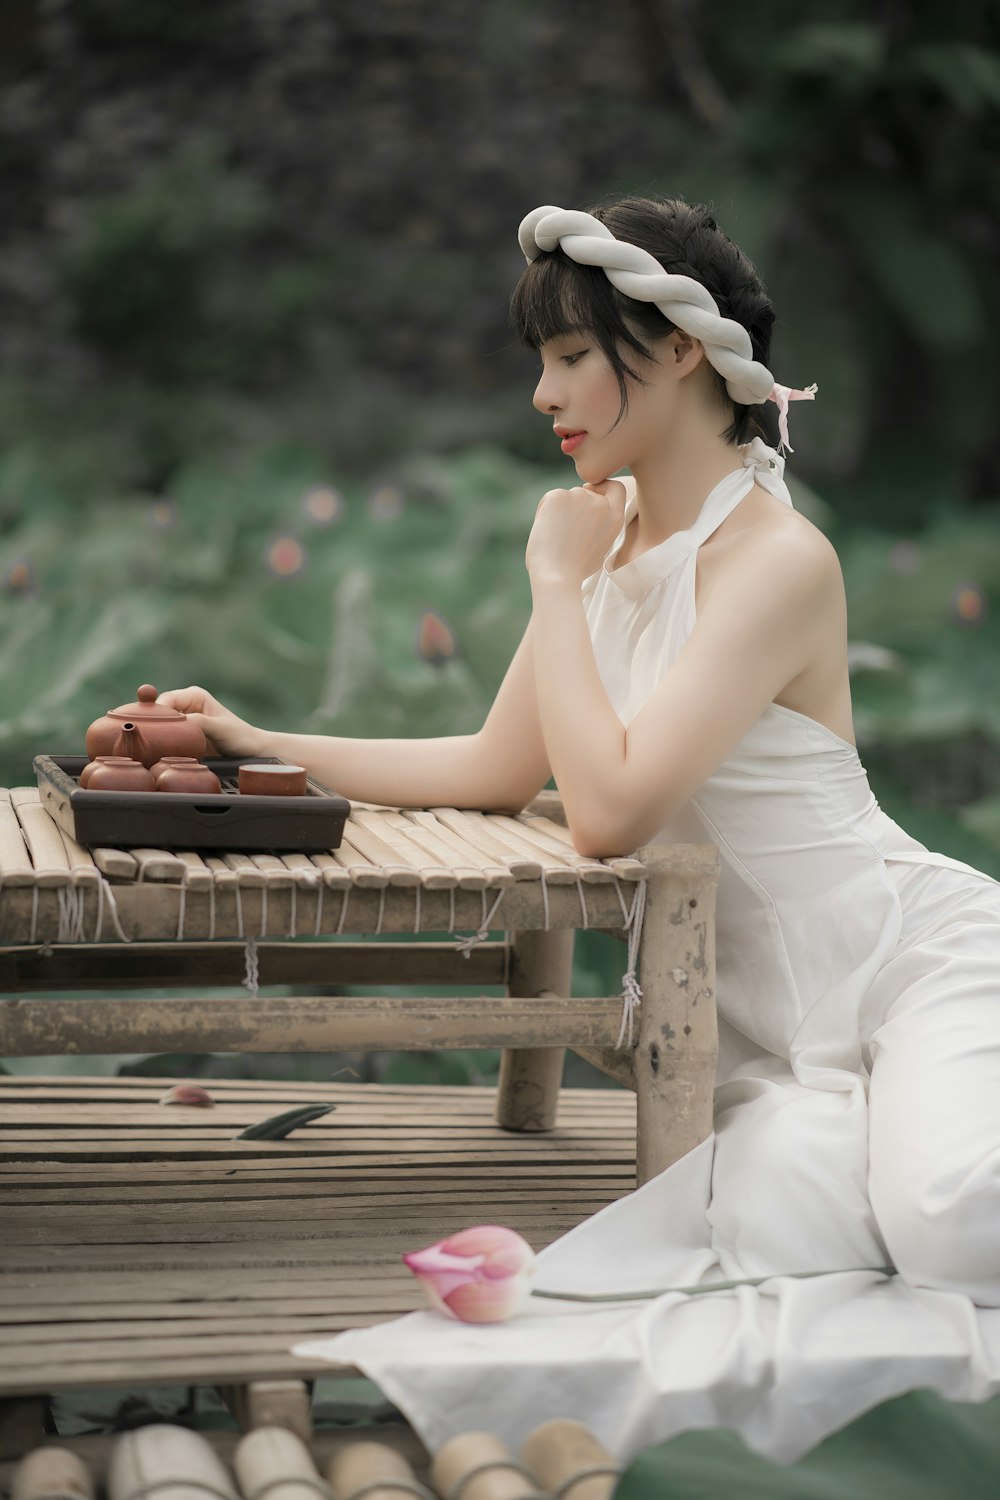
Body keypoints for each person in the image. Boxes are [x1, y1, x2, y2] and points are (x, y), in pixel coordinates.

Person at [161, 196, 1000, 1463]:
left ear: (670, 352)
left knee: (949, 1224)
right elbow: (497, 769)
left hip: (907, 963)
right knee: (776, 1233)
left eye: (567, 358)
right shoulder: (609, 547)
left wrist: (553, 581)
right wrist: (251, 740)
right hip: (770, 1038)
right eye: (541, 361)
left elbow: (605, 813)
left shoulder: (776, 560)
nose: (543, 395)